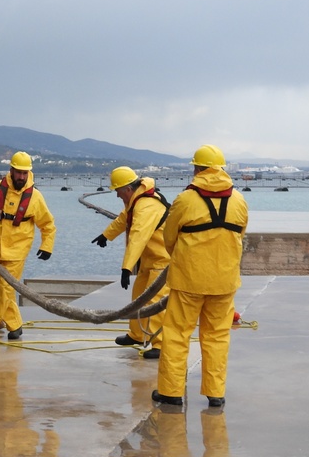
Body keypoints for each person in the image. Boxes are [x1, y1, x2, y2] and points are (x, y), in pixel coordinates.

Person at [152, 144, 248, 408]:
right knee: (217, 336)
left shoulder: (185, 199)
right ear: (222, 169)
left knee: (177, 334)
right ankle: (215, 393)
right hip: (224, 281)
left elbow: (168, 237)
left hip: (188, 281)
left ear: (197, 168)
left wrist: (183, 258)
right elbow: (240, 235)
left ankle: (171, 392)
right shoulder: (239, 200)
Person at [0, 151, 56, 346]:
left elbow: (48, 224)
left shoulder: (35, 197)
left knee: (3, 290)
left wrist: (47, 246)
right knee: (3, 291)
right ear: (11, 171)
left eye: (25, 173)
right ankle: (15, 325)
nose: (22, 177)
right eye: (18, 173)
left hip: (17, 251)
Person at [91, 166, 170, 359]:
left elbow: (138, 236)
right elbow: (123, 220)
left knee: (155, 303)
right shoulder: (136, 201)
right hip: (149, 261)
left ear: (127, 189)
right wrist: (106, 235)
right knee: (138, 298)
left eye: (118, 191)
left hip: (163, 262)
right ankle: (137, 334)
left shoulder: (146, 206)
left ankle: (160, 344)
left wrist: (126, 267)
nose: (117, 196)